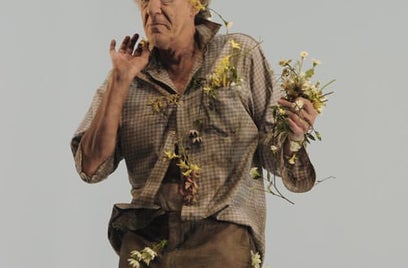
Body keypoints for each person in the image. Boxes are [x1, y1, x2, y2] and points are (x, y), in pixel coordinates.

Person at [70, 0, 317, 267]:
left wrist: (294, 136)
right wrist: (119, 83)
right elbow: (91, 168)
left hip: (221, 234)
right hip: (146, 239)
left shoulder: (239, 55)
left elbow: (282, 165)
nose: (152, 9)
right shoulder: (126, 75)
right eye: (144, 1)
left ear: (194, 6)